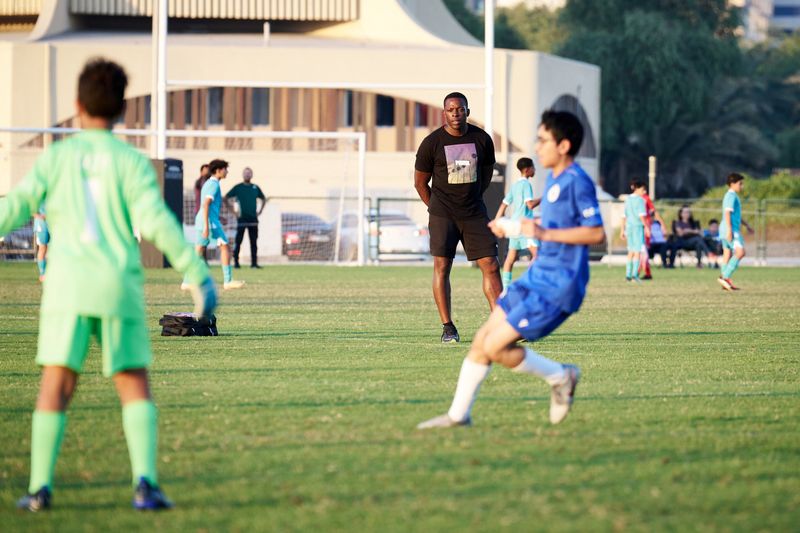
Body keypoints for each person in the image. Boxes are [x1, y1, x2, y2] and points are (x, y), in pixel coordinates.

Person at [0, 58, 217, 512]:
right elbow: (158, 223)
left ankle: (40, 490)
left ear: (77, 105)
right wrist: (196, 273)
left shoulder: (56, 158)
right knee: (133, 382)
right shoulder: (133, 164)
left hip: (66, 289)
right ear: (121, 109)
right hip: (117, 287)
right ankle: (145, 485)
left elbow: (15, 206)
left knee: (55, 385)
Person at [417, 110, 605, 430]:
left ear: (564, 145)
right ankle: (458, 415)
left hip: (557, 286)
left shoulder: (577, 182)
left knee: (495, 347)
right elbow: (555, 225)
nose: (537, 146)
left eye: (543, 140)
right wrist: (519, 225)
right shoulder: (556, 182)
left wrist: (539, 232)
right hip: (536, 277)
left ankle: (562, 376)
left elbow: (595, 233)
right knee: (481, 341)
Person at [414, 92, 502, 343]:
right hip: (443, 215)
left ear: (467, 111)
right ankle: (448, 327)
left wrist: (470, 200)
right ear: (445, 113)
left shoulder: (482, 138)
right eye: (451, 110)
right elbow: (420, 183)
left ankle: (500, 325)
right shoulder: (432, 143)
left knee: (491, 265)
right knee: (443, 267)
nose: (456, 113)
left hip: (474, 213)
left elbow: (485, 176)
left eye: (460, 109)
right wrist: (437, 208)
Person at [183, 159, 245, 291]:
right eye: (225, 169)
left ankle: (187, 281)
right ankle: (227, 281)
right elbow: (205, 205)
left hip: (207, 221)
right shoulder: (213, 185)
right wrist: (207, 226)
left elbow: (207, 207)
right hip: (209, 224)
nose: (227, 171)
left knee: (198, 251)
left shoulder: (210, 183)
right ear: (218, 170)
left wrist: (218, 217)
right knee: (225, 247)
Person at [494, 157, 541, 289]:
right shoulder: (526, 184)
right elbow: (530, 205)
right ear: (527, 170)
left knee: (510, 259)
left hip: (514, 226)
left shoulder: (515, 185)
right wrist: (544, 198)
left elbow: (504, 203)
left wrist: (496, 221)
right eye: (533, 167)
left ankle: (505, 289)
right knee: (538, 256)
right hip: (525, 226)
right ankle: (528, 283)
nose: (535, 170)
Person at [224, 167, 266, 269]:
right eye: (246, 173)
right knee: (238, 241)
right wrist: (234, 212)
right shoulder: (238, 187)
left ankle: (254, 263)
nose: (247, 175)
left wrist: (260, 211)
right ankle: (236, 263)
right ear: (243, 175)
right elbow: (225, 198)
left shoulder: (255, 187)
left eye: (249, 173)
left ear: (252, 175)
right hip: (242, 219)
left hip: (253, 219)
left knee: (254, 242)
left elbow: (263, 198)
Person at [718, 173, 753, 291]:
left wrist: (747, 225)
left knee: (727, 254)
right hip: (730, 229)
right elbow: (727, 213)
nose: (742, 186)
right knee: (740, 252)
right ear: (732, 184)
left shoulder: (730, 196)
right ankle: (725, 277)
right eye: (740, 183)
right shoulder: (731, 196)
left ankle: (724, 282)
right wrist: (729, 230)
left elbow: (735, 215)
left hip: (725, 229)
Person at [620, 180, 650, 283]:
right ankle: (634, 275)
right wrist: (646, 227)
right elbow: (641, 215)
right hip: (637, 228)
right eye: (643, 189)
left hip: (629, 228)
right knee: (637, 252)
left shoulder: (627, 199)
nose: (644, 192)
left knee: (630, 252)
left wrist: (622, 230)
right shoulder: (640, 200)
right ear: (637, 189)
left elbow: (624, 216)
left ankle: (628, 275)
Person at [639, 184, 666, 280]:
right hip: (637, 228)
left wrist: (662, 225)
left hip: (645, 227)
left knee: (642, 250)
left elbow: (654, 212)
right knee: (640, 250)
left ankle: (640, 273)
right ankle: (644, 272)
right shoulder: (634, 199)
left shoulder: (645, 198)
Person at [33, 206, 49, 282]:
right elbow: (30, 208)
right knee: (42, 247)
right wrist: (39, 216)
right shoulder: (38, 195)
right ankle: (42, 274)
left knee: (54, 249)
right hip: (41, 224)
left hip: (54, 223)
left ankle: (51, 273)